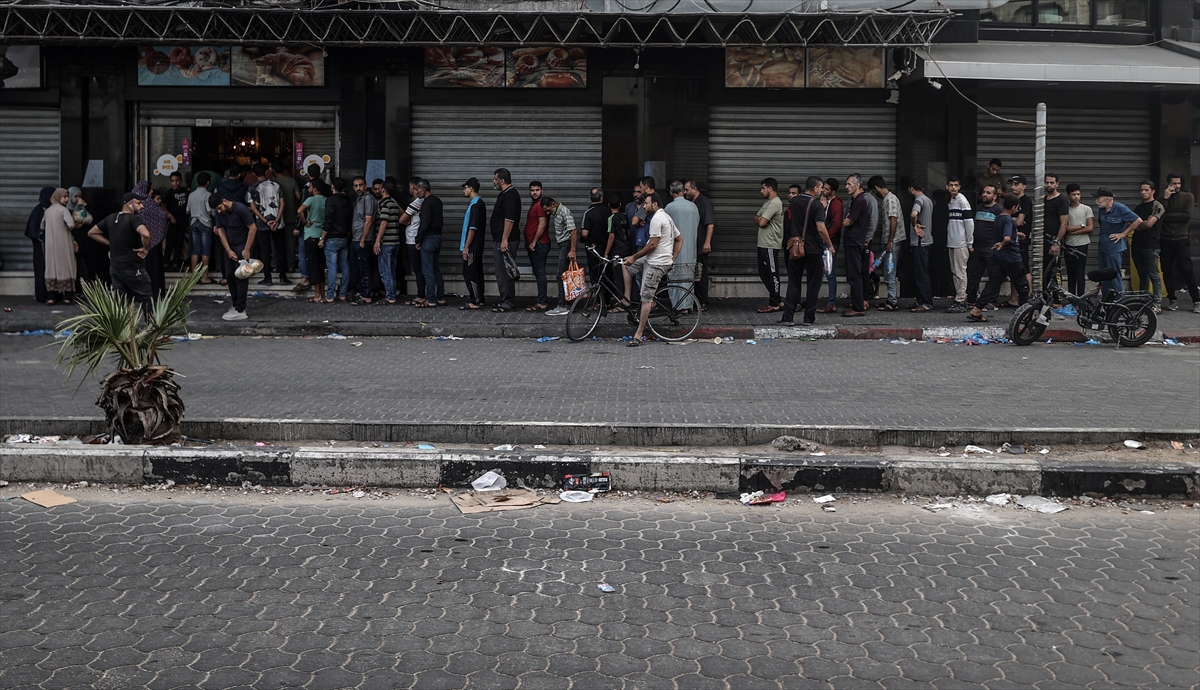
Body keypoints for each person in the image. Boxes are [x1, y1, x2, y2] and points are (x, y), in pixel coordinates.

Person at [623, 193, 681, 347]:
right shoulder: (666, 217)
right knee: (625, 265)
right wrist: (672, 259)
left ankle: (638, 334)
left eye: (647, 203)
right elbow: (679, 239)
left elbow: (652, 245)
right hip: (652, 259)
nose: (644, 206)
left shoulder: (657, 219)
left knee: (646, 299)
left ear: (655, 205)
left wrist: (634, 257)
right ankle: (627, 298)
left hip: (656, 264)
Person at [780, 176, 835, 326]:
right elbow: (821, 228)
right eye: (821, 187)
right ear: (815, 188)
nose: (822, 190)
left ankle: (788, 317)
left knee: (793, 282)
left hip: (796, 248)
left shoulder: (794, 202)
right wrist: (830, 245)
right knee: (813, 284)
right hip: (813, 249)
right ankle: (808, 318)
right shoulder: (816, 205)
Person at [87, 192, 153, 315]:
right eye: (138, 203)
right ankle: (151, 325)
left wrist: (112, 244)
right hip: (133, 267)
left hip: (115, 268)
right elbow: (146, 234)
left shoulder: (111, 218)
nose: (142, 206)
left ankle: (126, 326)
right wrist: (145, 248)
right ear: (129, 204)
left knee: (121, 301)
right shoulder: (133, 219)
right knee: (146, 299)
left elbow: (92, 232)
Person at [967, 194, 1027, 322]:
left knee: (992, 284)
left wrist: (1016, 233)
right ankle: (1026, 314)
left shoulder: (999, 217)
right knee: (1023, 286)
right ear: (1014, 207)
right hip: (1011, 258)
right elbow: (1007, 238)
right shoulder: (1008, 220)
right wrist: (1003, 243)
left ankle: (977, 309)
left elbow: (1005, 233)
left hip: (999, 258)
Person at [208, 191, 258, 321]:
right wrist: (228, 250)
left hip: (242, 246)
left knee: (241, 277)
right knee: (229, 276)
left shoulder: (240, 209)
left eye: (219, 207)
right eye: (216, 209)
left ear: (224, 201)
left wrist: (247, 248)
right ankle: (235, 304)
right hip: (230, 247)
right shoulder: (219, 213)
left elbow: (253, 228)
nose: (219, 211)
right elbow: (221, 230)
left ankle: (241, 308)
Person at [1160, 173, 1199, 312]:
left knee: (1187, 270)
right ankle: (1172, 299)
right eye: (1174, 183)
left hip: (1181, 238)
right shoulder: (1162, 198)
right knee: (1167, 270)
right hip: (1165, 239)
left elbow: (1187, 215)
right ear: (1168, 184)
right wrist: (1165, 199)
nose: (1176, 186)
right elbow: (1159, 215)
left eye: (1179, 183)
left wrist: (1167, 216)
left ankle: (1196, 300)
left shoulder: (1188, 197)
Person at [1094, 187, 1142, 297]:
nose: (1096, 201)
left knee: (1114, 274)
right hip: (1103, 246)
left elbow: (1138, 220)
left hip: (1114, 248)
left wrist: (1123, 234)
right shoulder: (1102, 209)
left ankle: (1119, 300)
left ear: (1108, 199)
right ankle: (1106, 300)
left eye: (1099, 198)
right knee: (1104, 275)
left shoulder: (1120, 208)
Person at [869, 175, 903, 311]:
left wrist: (890, 241)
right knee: (882, 268)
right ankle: (890, 299)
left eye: (873, 190)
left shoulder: (890, 200)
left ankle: (892, 301)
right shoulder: (887, 200)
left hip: (892, 243)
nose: (874, 194)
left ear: (877, 188)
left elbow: (893, 220)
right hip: (888, 242)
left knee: (890, 270)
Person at [131, 180, 169, 298]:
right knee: (152, 270)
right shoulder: (147, 202)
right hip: (150, 243)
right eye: (150, 189)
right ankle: (154, 293)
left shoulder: (133, 200)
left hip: (137, 242)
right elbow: (162, 215)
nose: (152, 191)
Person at [490, 168, 521, 312]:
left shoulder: (510, 196)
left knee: (505, 272)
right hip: (502, 239)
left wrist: (504, 240)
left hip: (506, 241)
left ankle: (508, 302)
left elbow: (509, 220)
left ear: (502, 181)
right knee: (501, 272)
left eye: (495, 179)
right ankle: (504, 299)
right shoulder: (505, 194)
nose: (494, 182)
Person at [967, 184, 1002, 309]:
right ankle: (971, 299)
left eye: (988, 193)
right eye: (984, 192)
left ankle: (992, 301)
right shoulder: (978, 208)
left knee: (993, 275)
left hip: (991, 247)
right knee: (973, 274)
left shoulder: (998, 210)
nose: (984, 195)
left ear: (995, 196)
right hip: (977, 247)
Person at [1131, 180, 1165, 310]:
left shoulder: (1157, 206)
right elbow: (1130, 224)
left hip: (1151, 245)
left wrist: (1139, 224)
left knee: (1154, 275)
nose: (1143, 192)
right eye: (1141, 190)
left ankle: (1157, 303)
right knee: (1143, 275)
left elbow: (1149, 224)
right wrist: (1142, 224)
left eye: (1146, 190)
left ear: (1153, 191)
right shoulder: (1138, 207)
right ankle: (1143, 301)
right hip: (1137, 244)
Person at [841, 174, 871, 316]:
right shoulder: (855, 200)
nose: (846, 187)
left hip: (854, 241)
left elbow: (847, 222)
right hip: (852, 241)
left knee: (854, 275)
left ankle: (858, 308)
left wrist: (846, 219)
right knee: (853, 274)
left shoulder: (859, 201)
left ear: (857, 185)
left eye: (849, 184)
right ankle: (856, 304)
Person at [753, 177, 785, 313]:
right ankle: (778, 300)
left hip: (770, 244)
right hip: (763, 244)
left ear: (770, 188)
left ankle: (774, 303)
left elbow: (761, 222)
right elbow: (756, 217)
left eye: (763, 188)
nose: (761, 191)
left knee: (772, 274)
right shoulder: (768, 202)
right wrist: (761, 219)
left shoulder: (775, 203)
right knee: (763, 273)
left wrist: (761, 219)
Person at [544, 196, 578, 317]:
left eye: (548, 210)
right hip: (562, 244)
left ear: (553, 204)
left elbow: (573, 231)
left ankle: (562, 305)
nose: (548, 213)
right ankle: (567, 302)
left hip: (566, 245)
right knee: (565, 275)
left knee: (560, 275)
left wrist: (572, 250)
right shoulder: (556, 213)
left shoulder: (564, 212)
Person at [40, 188, 76, 304]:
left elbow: (42, 226)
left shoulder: (48, 211)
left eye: (67, 197)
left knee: (51, 268)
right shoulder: (63, 210)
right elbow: (71, 224)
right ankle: (68, 297)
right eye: (64, 197)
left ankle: (51, 297)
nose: (67, 199)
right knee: (66, 267)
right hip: (63, 243)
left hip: (50, 244)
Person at [413, 179, 445, 308]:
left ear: (423, 189)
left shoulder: (426, 203)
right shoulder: (438, 201)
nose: (416, 192)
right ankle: (441, 297)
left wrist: (418, 240)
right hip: (438, 237)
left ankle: (430, 299)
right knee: (436, 268)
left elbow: (424, 223)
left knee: (427, 270)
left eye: (417, 189)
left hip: (428, 238)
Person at [683, 180, 714, 310]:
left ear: (694, 189)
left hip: (701, 244)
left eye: (687, 190)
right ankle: (695, 300)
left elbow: (710, 223)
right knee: (694, 272)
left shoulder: (704, 203)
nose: (685, 192)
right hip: (693, 244)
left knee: (701, 272)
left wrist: (707, 242)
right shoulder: (692, 203)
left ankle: (703, 301)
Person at [322, 177, 353, 303]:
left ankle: (330, 295)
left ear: (332, 187)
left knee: (332, 267)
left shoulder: (330, 200)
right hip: (344, 236)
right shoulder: (348, 201)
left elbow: (328, 219)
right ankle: (343, 294)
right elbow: (350, 218)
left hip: (332, 237)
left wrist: (322, 237)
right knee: (345, 266)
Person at [664, 181, 698, 296]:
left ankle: (677, 303)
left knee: (675, 277)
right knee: (689, 276)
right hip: (690, 248)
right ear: (683, 191)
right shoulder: (693, 207)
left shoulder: (669, 208)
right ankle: (687, 302)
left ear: (671, 193)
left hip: (674, 250)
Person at [1004, 175, 1033, 307]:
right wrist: (1012, 219)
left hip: (1022, 240)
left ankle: (1026, 300)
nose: (1013, 187)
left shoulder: (1025, 201)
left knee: (1024, 269)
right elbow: (1006, 218)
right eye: (1012, 184)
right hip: (1013, 239)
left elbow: (1019, 221)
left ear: (1024, 186)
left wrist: (1012, 219)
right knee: (1013, 269)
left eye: (1016, 184)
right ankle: (1013, 298)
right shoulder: (1012, 201)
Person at [272, 161, 302, 290]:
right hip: (290, 217)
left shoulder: (272, 183)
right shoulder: (292, 181)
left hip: (275, 219)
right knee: (290, 243)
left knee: (275, 243)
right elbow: (298, 196)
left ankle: (275, 265)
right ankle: (290, 265)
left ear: (273, 171)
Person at [944, 177, 972, 313]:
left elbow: (969, 223)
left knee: (960, 272)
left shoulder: (962, 201)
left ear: (960, 187)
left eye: (956, 185)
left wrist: (969, 242)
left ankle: (961, 300)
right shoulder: (952, 201)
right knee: (955, 272)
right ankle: (959, 298)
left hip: (960, 243)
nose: (953, 187)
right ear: (947, 187)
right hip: (952, 242)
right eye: (951, 185)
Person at [298, 178, 328, 303]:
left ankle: (317, 295)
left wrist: (305, 222)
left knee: (312, 265)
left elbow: (299, 210)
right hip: (321, 236)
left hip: (311, 235)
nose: (309, 189)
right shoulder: (326, 200)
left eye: (310, 187)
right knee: (321, 265)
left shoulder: (311, 199)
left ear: (315, 189)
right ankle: (322, 294)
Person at [459, 177, 487, 310]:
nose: (464, 191)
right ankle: (480, 299)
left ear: (471, 188)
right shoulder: (478, 203)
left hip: (473, 247)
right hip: (476, 246)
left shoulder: (476, 205)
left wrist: (466, 247)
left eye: (465, 188)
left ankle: (475, 300)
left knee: (470, 274)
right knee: (477, 272)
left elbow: (473, 228)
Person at [1062, 183, 1094, 296]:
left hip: (1083, 244)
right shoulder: (1065, 210)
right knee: (1070, 273)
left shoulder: (1086, 209)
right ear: (1068, 195)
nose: (1076, 197)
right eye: (1074, 194)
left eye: (1078, 194)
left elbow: (1090, 228)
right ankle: (1072, 298)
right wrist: (1081, 226)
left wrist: (1073, 231)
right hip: (1069, 244)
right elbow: (1065, 228)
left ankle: (1081, 298)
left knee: (1080, 272)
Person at [349, 176, 377, 304]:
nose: (358, 188)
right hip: (356, 238)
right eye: (356, 186)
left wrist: (363, 239)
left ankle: (366, 295)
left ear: (365, 185)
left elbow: (369, 220)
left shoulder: (368, 199)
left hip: (363, 239)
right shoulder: (359, 199)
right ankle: (360, 292)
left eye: (360, 185)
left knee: (365, 268)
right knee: (358, 268)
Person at [817, 178, 843, 314]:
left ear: (833, 191)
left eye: (826, 189)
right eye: (823, 188)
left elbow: (836, 225)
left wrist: (826, 239)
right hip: (826, 242)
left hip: (830, 243)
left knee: (830, 273)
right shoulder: (826, 203)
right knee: (821, 271)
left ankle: (831, 303)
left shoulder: (836, 203)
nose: (823, 191)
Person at [907, 180, 934, 311]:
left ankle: (926, 303)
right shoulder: (928, 200)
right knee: (921, 272)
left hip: (920, 242)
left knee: (921, 273)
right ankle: (920, 301)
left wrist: (914, 225)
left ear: (911, 189)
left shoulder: (918, 200)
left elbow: (913, 214)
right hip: (926, 241)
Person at [399, 176, 426, 306]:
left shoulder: (417, 202)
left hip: (413, 239)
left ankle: (421, 295)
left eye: (410, 187)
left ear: (414, 188)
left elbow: (402, 219)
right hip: (416, 238)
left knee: (418, 268)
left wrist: (398, 207)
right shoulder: (422, 202)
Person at [374, 181, 402, 304]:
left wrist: (377, 240)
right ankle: (392, 293)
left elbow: (384, 223)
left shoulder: (384, 204)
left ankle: (390, 296)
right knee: (391, 270)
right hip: (395, 241)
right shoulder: (394, 204)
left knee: (385, 270)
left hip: (386, 242)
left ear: (383, 190)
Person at [523, 181, 550, 311]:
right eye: (532, 190)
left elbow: (542, 224)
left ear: (542, 191)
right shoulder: (535, 205)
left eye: (537, 190)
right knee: (539, 272)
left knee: (540, 273)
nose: (534, 192)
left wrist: (534, 242)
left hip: (539, 244)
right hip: (536, 245)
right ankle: (541, 300)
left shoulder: (540, 205)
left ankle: (542, 302)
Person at [26, 187, 55, 303]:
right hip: (41, 248)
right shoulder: (38, 210)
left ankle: (53, 294)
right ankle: (43, 295)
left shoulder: (54, 209)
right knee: (41, 269)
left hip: (51, 246)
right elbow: (33, 229)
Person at [606, 193, 634, 308]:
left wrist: (606, 253)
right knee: (627, 275)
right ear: (620, 205)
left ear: (609, 205)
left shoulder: (611, 218)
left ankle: (621, 301)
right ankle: (627, 297)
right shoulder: (624, 216)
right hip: (626, 248)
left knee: (618, 277)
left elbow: (611, 237)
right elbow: (628, 232)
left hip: (617, 251)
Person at [1042, 173, 1069, 290]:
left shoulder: (1061, 200)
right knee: (1045, 270)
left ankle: (1058, 297)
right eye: (1047, 182)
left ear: (1057, 184)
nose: (1049, 185)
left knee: (1054, 270)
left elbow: (1064, 224)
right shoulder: (1044, 200)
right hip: (1043, 240)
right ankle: (1046, 296)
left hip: (1054, 241)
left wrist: (1056, 242)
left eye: (1052, 182)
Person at [187, 172, 214, 284]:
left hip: (194, 222)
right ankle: (205, 277)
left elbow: (187, 211)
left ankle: (194, 277)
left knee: (195, 250)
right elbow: (209, 211)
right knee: (205, 251)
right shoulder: (207, 195)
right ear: (208, 183)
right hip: (205, 223)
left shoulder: (191, 195)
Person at [581, 187, 610, 287]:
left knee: (595, 274)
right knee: (607, 274)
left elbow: (584, 233)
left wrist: (582, 240)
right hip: (608, 247)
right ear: (601, 198)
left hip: (594, 249)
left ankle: (598, 295)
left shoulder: (588, 213)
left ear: (590, 197)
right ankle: (607, 296)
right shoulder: (609, 211)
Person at [163, 172, 190, 271]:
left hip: (182, 221)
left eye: (177, 181)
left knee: (179, 243)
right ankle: (166, 263)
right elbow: (163, 206)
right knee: (170, 243)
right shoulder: (168, 193)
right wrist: (170, 216)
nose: (175, 183)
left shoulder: (185, 192)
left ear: (181, 180)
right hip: (172, 222)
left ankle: (176, 263)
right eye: (173, 181)